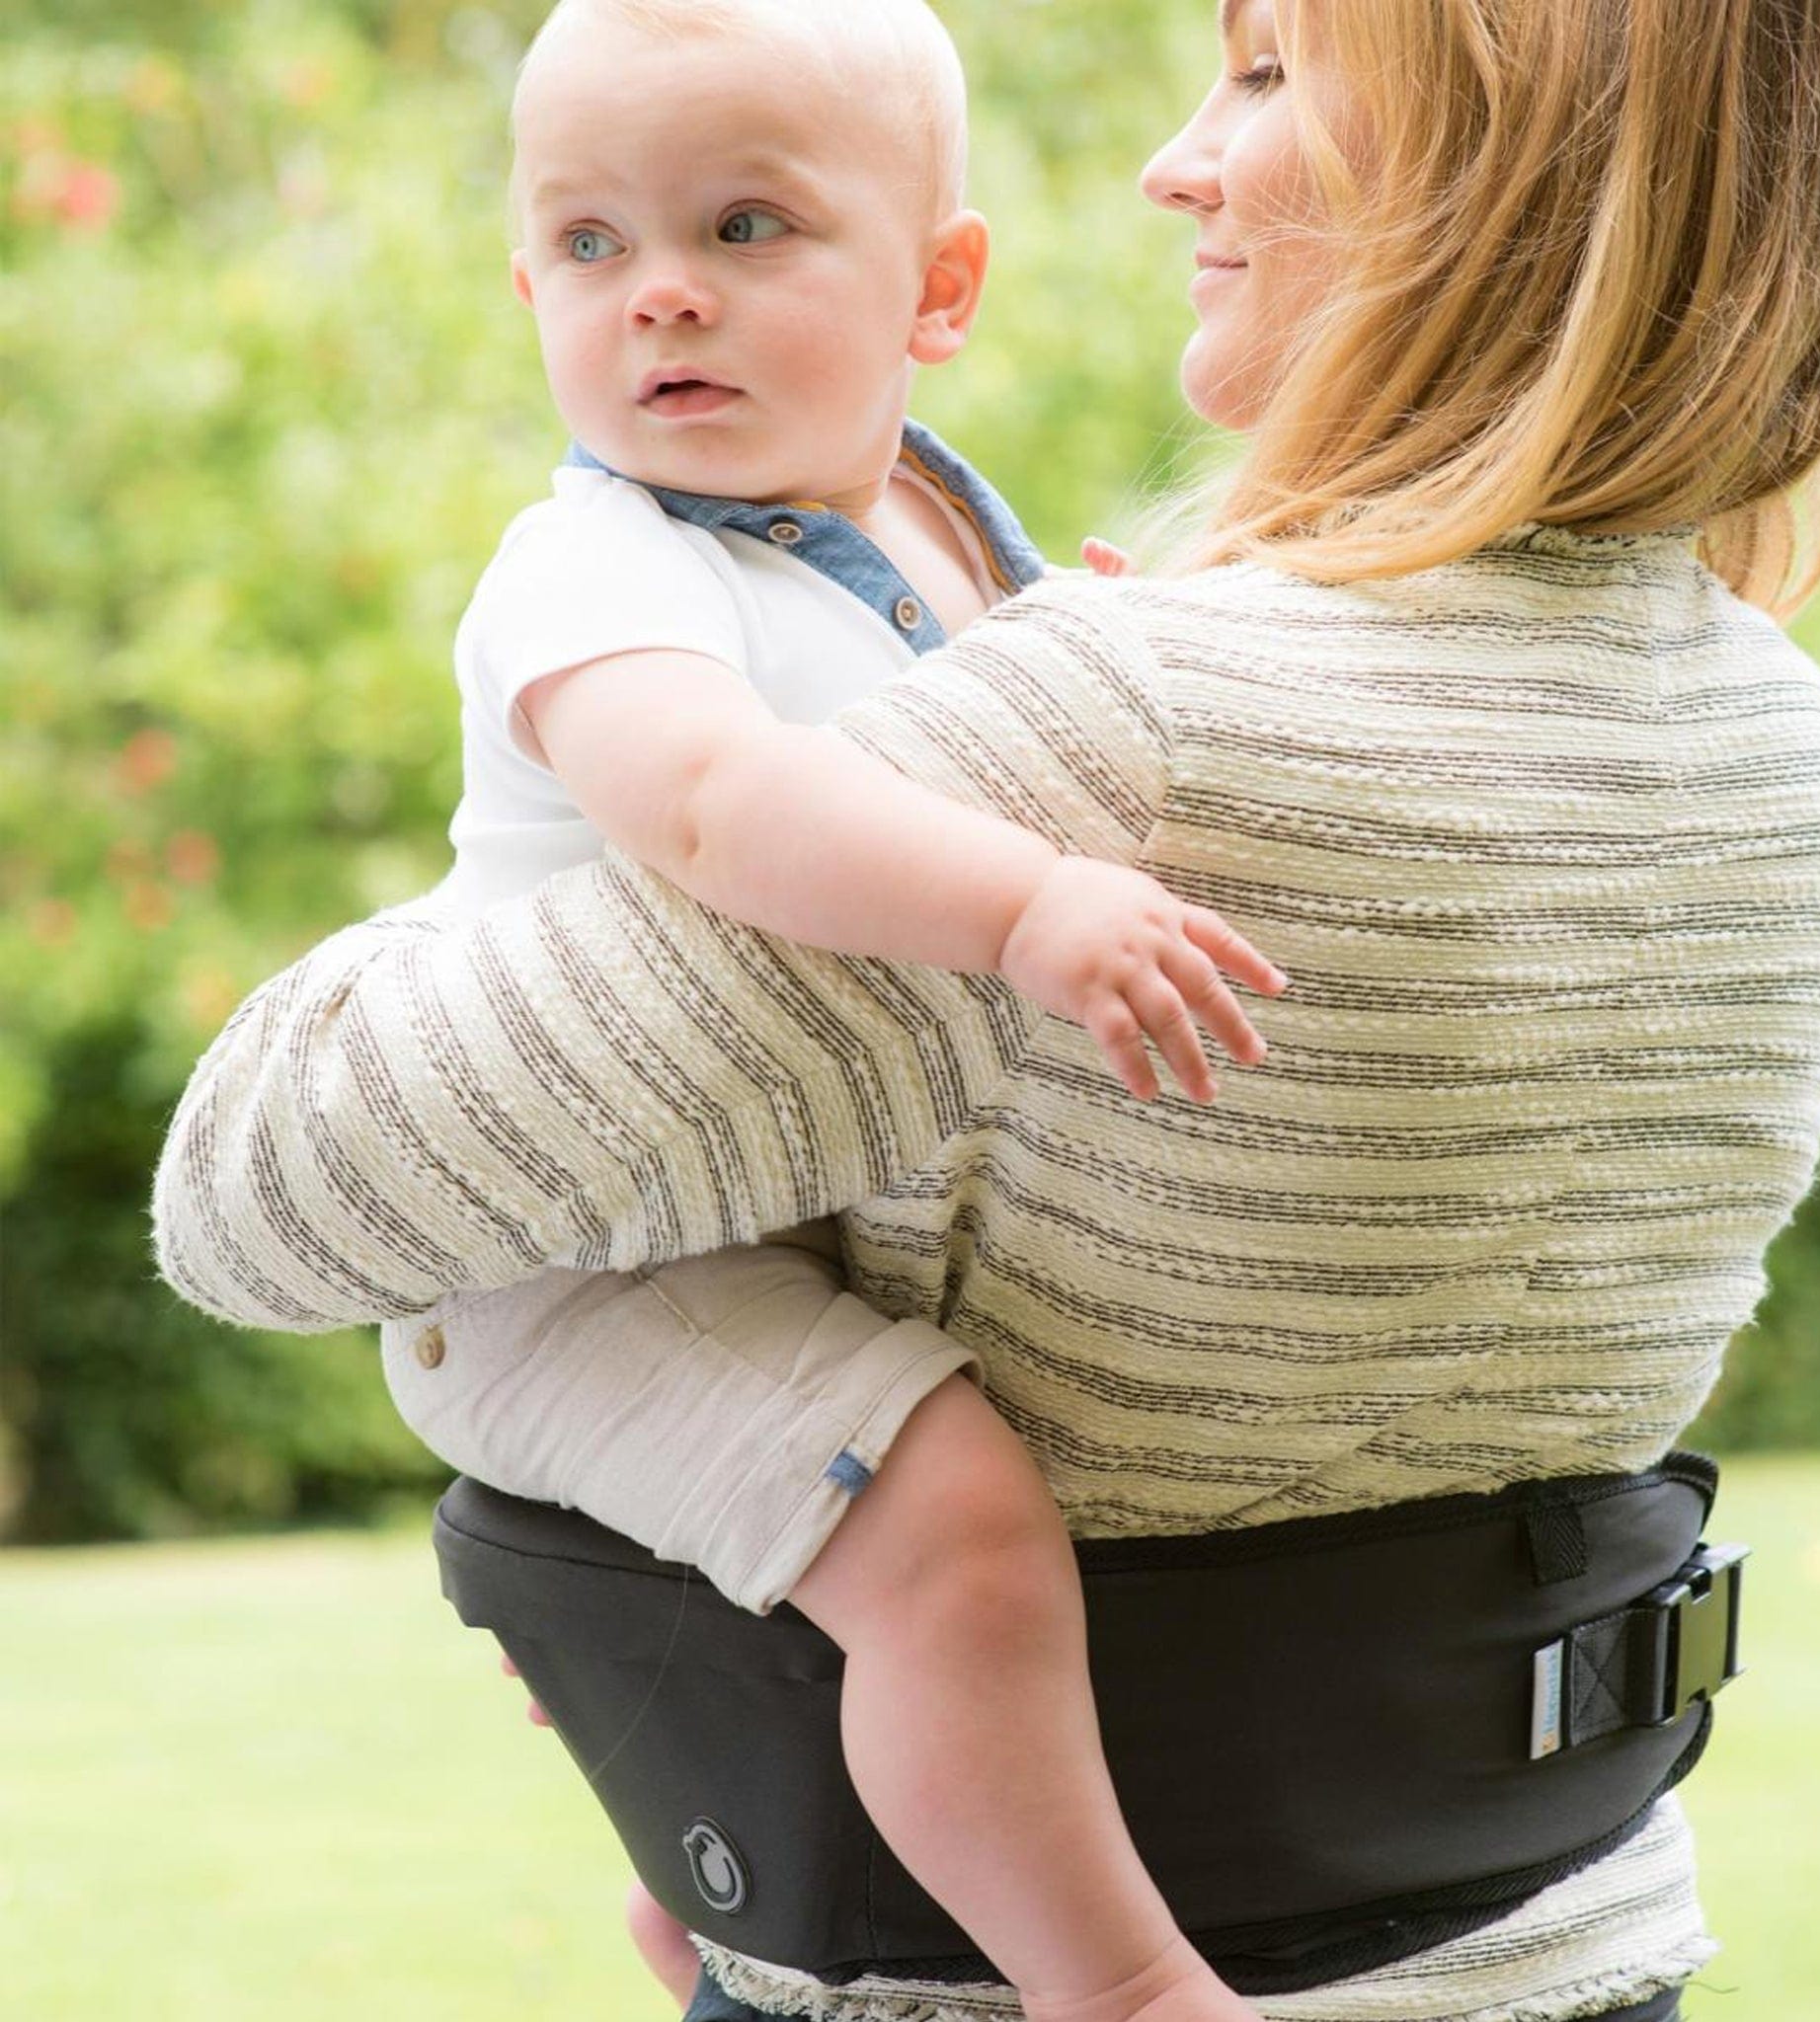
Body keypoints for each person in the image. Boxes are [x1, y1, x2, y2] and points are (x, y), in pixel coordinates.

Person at [152, 3, 1820, 2020]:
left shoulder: (1124, 726)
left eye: (1262, 76)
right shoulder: (1809, 773)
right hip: (1563, 1933)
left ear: (1484, 164)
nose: (1178, 161)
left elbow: (263, 1200)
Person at [347, 2, 1292, 2020]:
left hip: (759, 1214)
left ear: (937, 288)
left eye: (749, 226)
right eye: (589, 248)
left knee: (891, 1536)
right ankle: (1121, 1984)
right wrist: (1034, 905)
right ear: (529, 290)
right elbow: (718, 803)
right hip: (561, 1254)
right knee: (951, 1525)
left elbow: (981, 723)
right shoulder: (592, 566)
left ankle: (726, 1878)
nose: (659, 292)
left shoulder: (934, 536)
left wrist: (1100, 649)